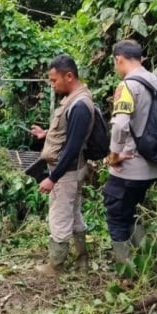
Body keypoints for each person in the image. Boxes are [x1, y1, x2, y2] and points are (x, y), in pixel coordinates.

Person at [30, 54, 94, 276]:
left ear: (69, 76)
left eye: (54, 80)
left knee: (59, 217)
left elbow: (73, 147)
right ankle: (82, 259)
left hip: (67, 172)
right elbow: (70, 135)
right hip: (72, 170)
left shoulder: (79, 105)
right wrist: (46, 135)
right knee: (74, 213)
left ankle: (55, 266)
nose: (52, 84)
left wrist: (52, 177)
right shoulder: (76, 100)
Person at [104, 39, 157, 262]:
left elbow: (120, 124)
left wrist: (114, 154)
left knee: (117, 215)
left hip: (129, 166)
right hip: (152, 164)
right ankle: (147, 261)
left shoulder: (128, 85)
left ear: (118, 59)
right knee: (132, 212)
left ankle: (126, 270)